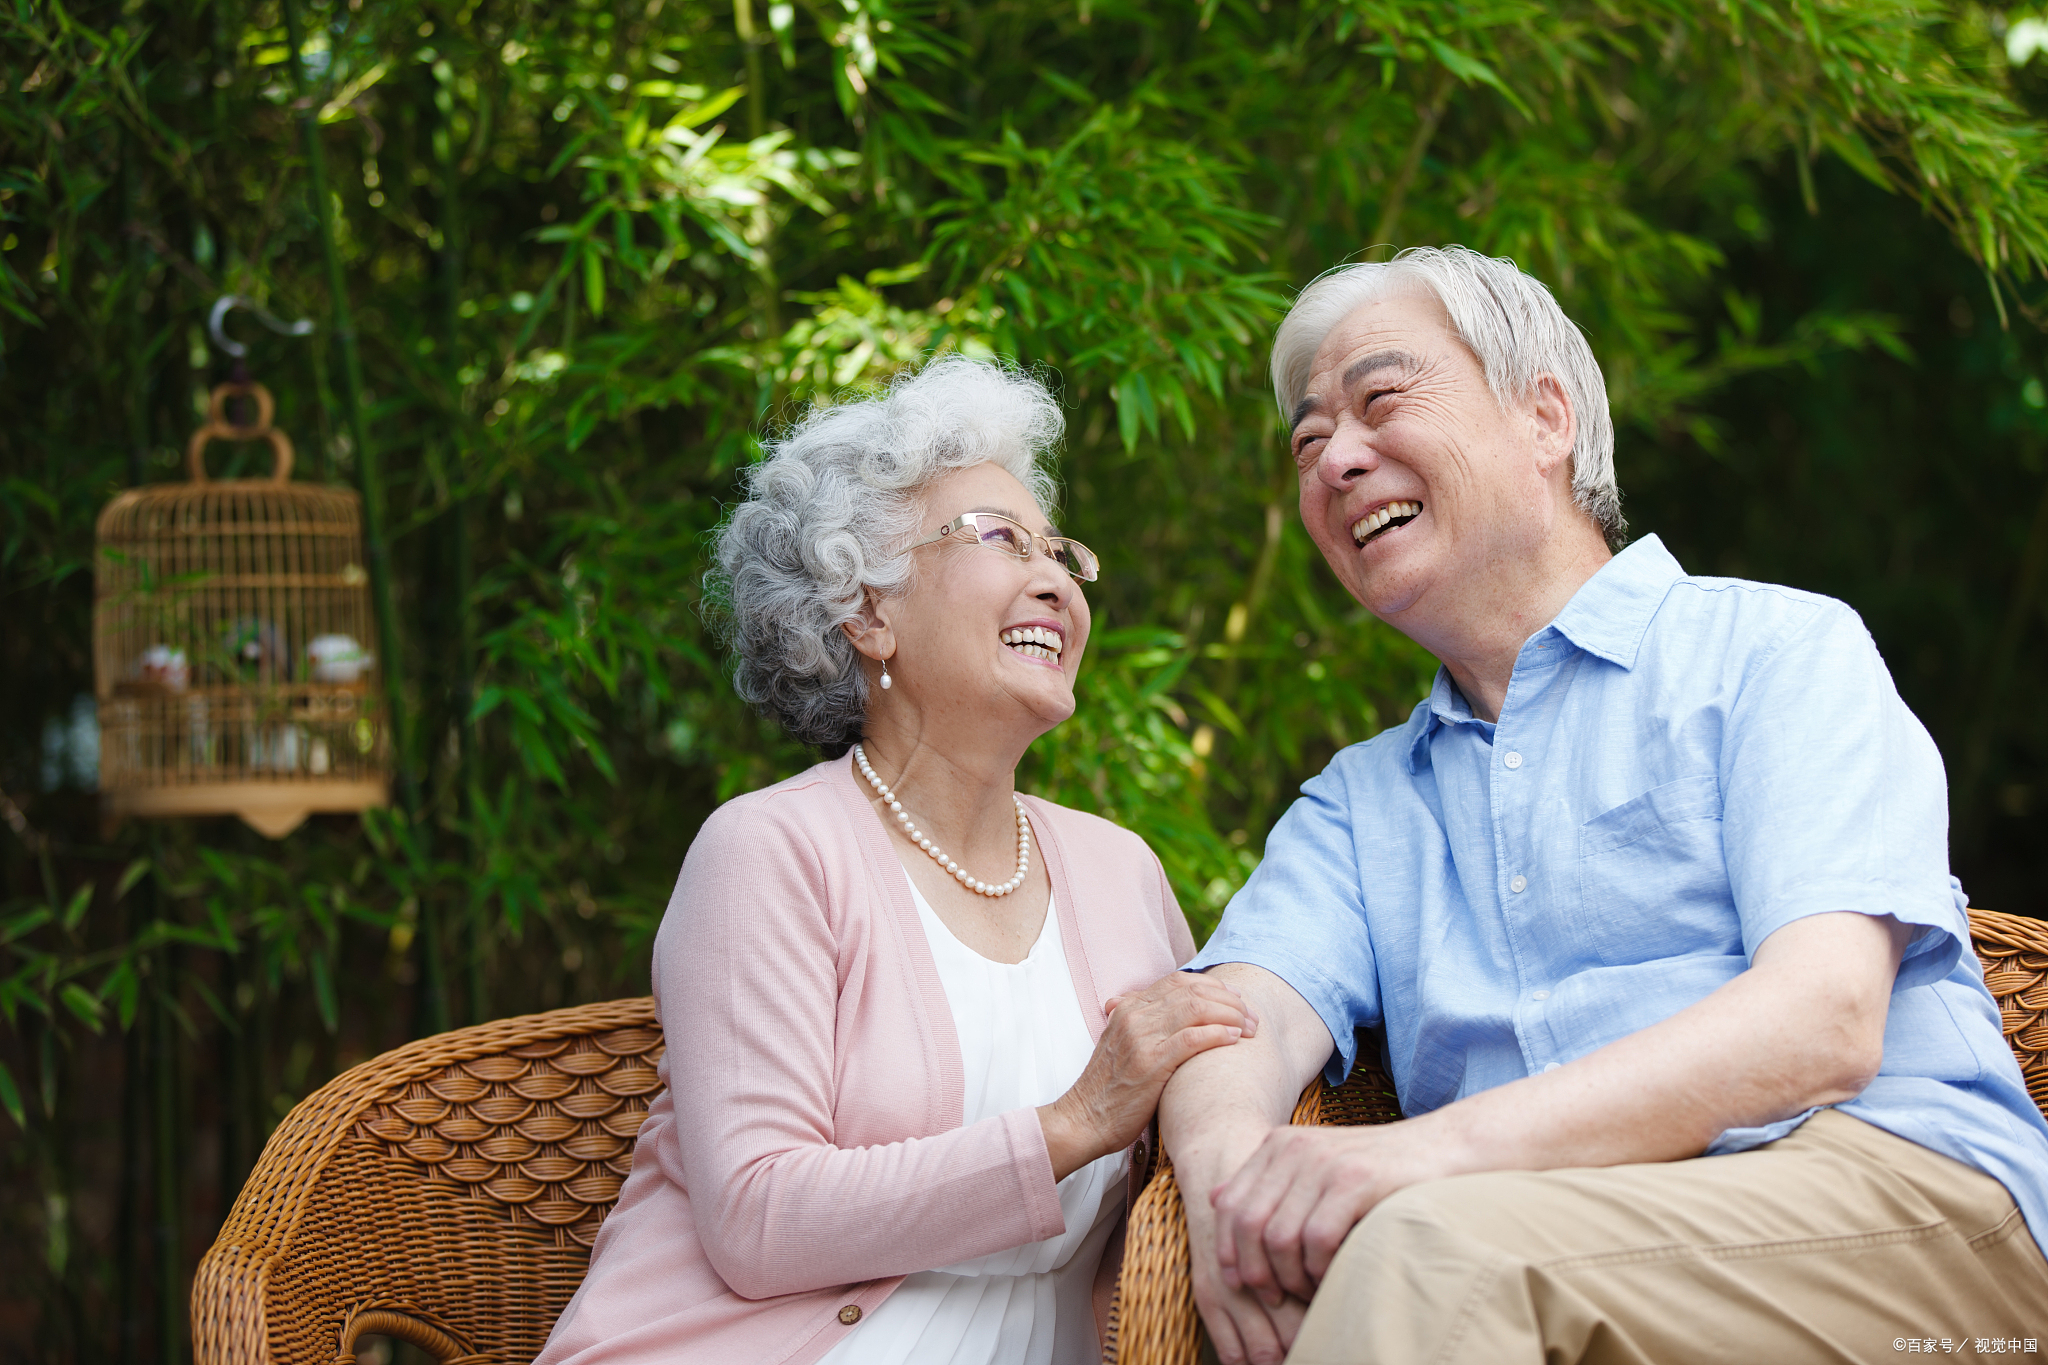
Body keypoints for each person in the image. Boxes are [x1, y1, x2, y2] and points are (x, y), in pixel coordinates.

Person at [1160, 246, 2048, 1365]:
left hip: (1900, 1209)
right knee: (1436, 1251)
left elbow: (1822, 1020)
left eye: (1380, 398)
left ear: (1544, 419)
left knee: (1429, 1253)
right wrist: (1226, 1193)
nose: (1335, 456)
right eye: (1305, 440)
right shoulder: (1362, 804)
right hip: (1546, 1239)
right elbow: (1222, 1023)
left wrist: (1424, 1157)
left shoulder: (1772, 651)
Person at [536, 356, 1254, 1365]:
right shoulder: (769, 853)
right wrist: (1075, 1120)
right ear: (865, 612)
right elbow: (758, 1218)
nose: (1052, 577)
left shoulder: (1120, 871)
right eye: (998, 539)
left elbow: (1195, 1148)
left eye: (1058, 551)